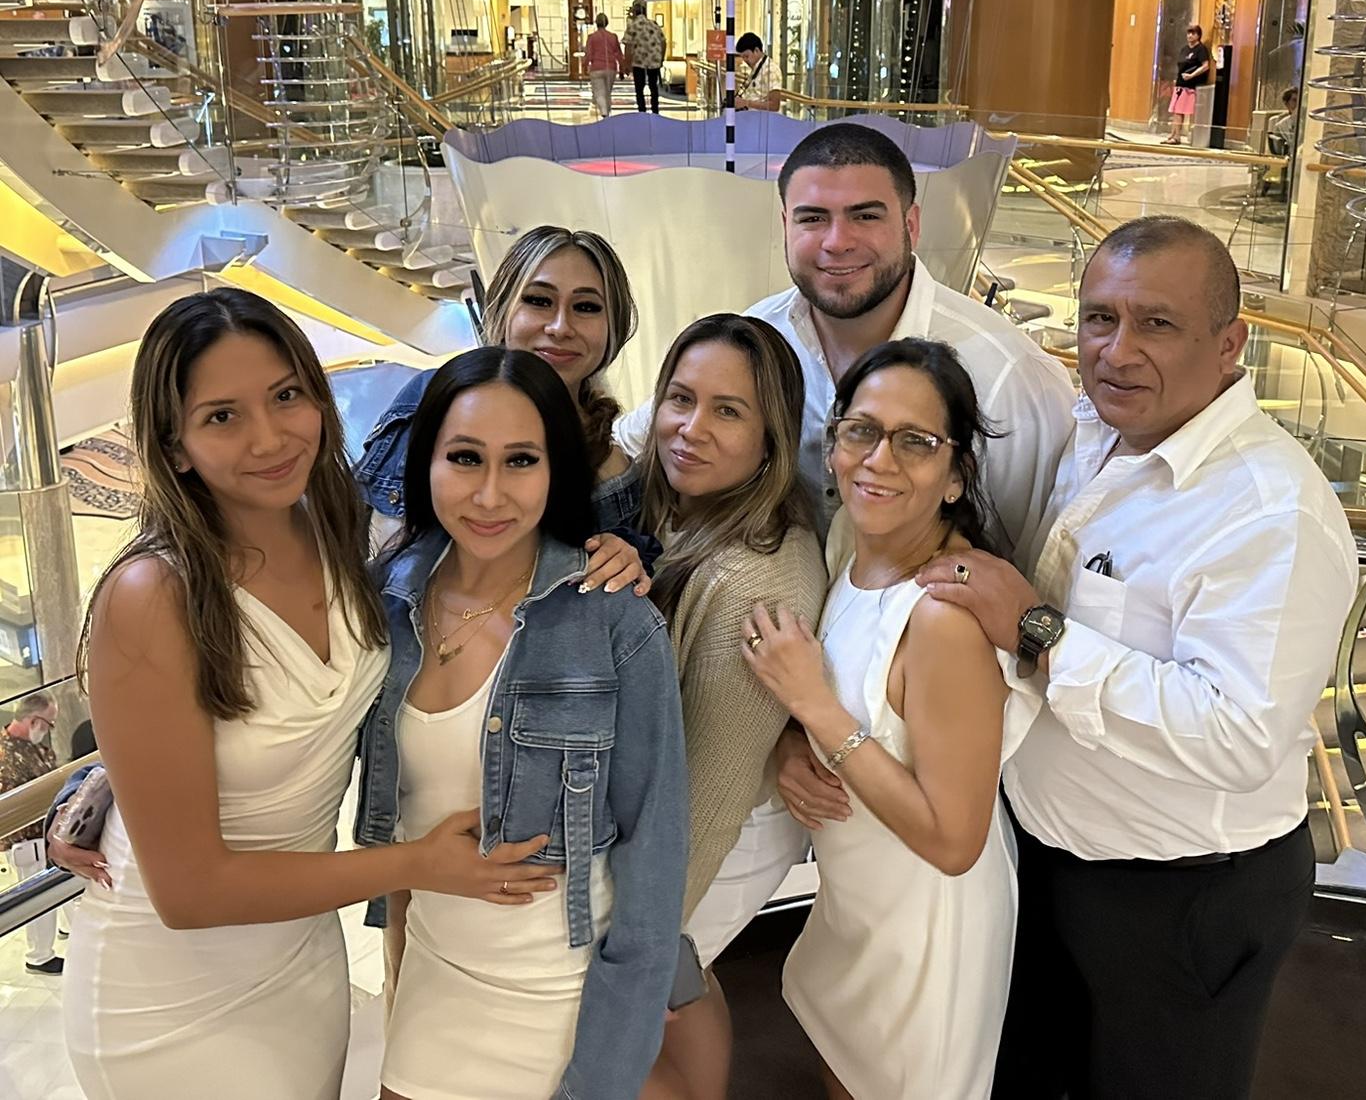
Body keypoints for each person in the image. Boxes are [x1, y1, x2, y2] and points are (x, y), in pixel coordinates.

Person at [916, 216, 1358, 1100]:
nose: (1116, 352)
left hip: (1181, 898)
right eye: (1099, 318)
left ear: (1229, 343)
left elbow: (1237, 735)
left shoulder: (1271, 512)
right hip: (1051, 863)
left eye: (1156, 323)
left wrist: (1037, 630)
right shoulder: (1097, 432)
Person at [52, 288, 527, 1100]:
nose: (270, 438)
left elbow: (500, 542)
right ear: (173, 448)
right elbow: (189, 892)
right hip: (170, 992)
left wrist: (611, 553)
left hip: (301, 955)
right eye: (222, 416)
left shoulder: (340, 529)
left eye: (285, 396)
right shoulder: (153, 593)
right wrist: (418, 864)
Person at [353, 347, 687, 1100]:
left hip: (560, 996)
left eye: (521, 461)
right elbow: (285, 722)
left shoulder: (614, 620)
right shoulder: (384, 601)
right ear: (426, 461)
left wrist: (605, 1072)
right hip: (434, 978)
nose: (490, 494)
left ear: (556, 468)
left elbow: (654, 856)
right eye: (465, 458)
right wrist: (113, 781)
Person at [745, 338, 1014, 1100]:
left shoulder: (941, 619)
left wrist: (813, 708)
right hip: (857, 904)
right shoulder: (848, 550)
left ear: (956, 475)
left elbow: (954, 841)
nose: (879, 460)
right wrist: (791, 747)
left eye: (915, 442)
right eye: (861, 431)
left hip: (924, 930)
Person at [617, 122, 1075, 562]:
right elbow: (636, 445)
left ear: (911, 225)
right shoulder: (758, 340)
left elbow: (1039, 559)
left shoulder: (1008, 375)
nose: (837, 242)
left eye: (865, 216)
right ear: (785, 225)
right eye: (813, 218)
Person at [637, 316, 826, 1100]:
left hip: (725, 831)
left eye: (728, 411)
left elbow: (712, 790)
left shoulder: (759, 579)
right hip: (697, 817)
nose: (692, 428)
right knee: (684, 981)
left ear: (771, 437)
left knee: (608, 1021)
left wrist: (644, 936)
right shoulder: (688, 510)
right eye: (681, 399)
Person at [357, 224, 647, 557]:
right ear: (503, 309)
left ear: (614, 326)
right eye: (539, 301)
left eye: (586, 307)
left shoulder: (610, 472)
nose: (560, 327)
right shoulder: (430, 399)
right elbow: (366, 541)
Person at [1, 691, 63, 974]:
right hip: (26, 841)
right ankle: (39, 956)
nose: (49, 730)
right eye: (49, 723)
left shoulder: (29, 746)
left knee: (55, 894)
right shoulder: (6, 756)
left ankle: (61, 933)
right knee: (38, 904)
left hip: (46, 835)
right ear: (34, 720)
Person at [1168, 23, 1213, 143]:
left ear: (1198, 35)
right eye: (1188, 33)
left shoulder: (1201, 49)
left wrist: (1192, 75)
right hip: (1180, 83)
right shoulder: (1184, 49)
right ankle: (1173, 134)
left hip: (1190, 85)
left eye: (1193, 33)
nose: (1190, 36)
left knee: (1181, 110)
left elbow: (1205, 66)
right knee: (1176, 110)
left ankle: (1178, 137)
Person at [625, 0, 666, 115]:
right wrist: (661, 58)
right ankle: (655, 111)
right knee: (654, 87)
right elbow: (663, 42)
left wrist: (626, 63)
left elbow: (628, 45)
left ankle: (642, 112)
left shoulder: (633, 26)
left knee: (639, 88)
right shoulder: (654, 24)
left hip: (638, 61)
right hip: (654, 60)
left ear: (635, 11)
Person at [584, 12, 624, 117]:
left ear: (596, 23)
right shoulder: (613, 37)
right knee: (607, 92)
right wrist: (622, 68)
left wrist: (585, 66)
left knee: (599, 92)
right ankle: (607, 113)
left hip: (596, 68)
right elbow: (619, 54)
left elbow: (588, 54)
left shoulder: (592, 37)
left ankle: (604, 112)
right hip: (611, 68)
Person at [734, 32, 782, 112]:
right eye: (743, 57)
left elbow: (774, 105)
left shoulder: (771, 70)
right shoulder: (757, 69)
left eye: (746, 56)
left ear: (756, 50)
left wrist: (746, 103)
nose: (745, 60)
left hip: (761, 118)